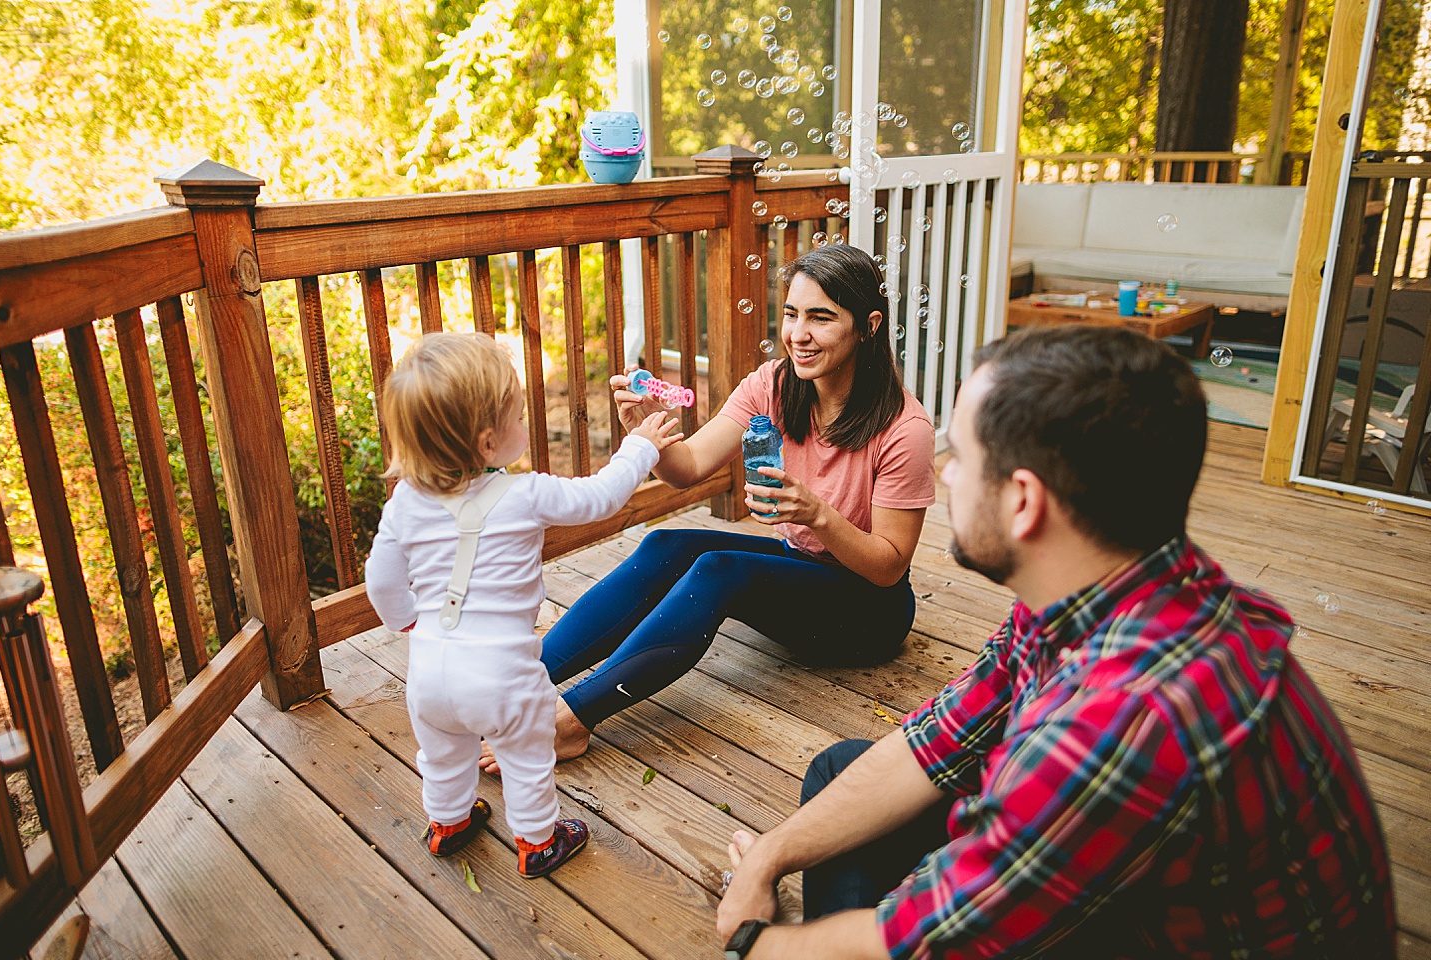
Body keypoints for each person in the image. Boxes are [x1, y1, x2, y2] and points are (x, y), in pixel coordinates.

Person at [716, 325, 1396, 959]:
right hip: (1148, 890)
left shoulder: (1125, 718)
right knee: (844, 771)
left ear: (1024, 502)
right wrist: (770, 857)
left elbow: (940, 932)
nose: (946, 473)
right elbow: (933, 744)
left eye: (965, 456)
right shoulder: (1110, 583)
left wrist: (756, 939)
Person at [481, 243, 936, 774]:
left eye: (822, 318)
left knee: (720, 571)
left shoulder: (905, 429)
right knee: (666, 543)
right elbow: (690, 466)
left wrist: (818, 515)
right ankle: (522, 682)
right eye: (791, 313)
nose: (799, 334)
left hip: (868, 612)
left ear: (868, 326)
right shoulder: (774, 384)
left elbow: (888, 566)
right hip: (804, 568)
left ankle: (570, 722)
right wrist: (646, 435)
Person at [363, 332, 682, 877]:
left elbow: (381, 581)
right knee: (528, 758)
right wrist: (642, 446)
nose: (526, 422)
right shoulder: (526, 494)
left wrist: (406, 620)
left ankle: (450, 822)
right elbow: (601, 496)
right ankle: (538, 842)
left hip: (429, 675)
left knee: (442, 755)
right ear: (489, 443)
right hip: (504, 676)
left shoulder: (405, 504)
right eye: (517, 415)